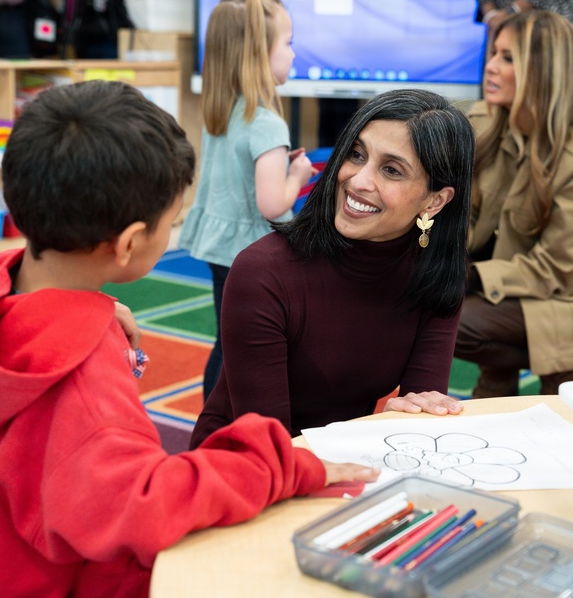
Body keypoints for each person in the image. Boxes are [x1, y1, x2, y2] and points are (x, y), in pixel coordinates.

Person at [0, 80, 379, 598]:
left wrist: (85, 307)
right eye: (172, 222)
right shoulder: (80, 383)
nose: (172, 232)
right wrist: (284, 465)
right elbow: (147, 507)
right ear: (127, 244)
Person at [190, 88, 475, 448]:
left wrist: (406, 421)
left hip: (344, 460)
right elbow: (271, 447)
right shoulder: (262, 272)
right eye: (356, 154)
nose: (357, 180)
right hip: (243, 468)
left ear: (435, 201)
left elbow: (420, 415)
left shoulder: (433, 276)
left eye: (391, 170)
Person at [455, 10, 573, 398]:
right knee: (417, 298)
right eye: (493, 53)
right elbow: (467, 218)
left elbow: (552, 269)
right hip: (511, 284)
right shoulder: (485, 122)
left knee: (451, 320)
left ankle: (566, 378)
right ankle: (499, 386)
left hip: (568, 299)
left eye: (507, 58)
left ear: (542, 70)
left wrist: (469, 278)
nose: (491, 67)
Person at [178, 0, 317, 399]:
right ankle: (233, 423)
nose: (293, 53)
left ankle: (214, 423)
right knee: (246, 346)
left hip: (219, 245)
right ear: (259, 53)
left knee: (226, 339)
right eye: (288, 44)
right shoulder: (268, 123)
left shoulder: (223, 108)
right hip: (253, 251)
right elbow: (273, 204)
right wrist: (298, 174)